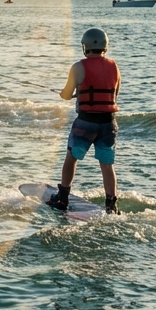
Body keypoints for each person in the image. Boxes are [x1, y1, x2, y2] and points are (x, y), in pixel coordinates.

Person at [50, 27, 121, 215]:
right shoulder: (114, 66)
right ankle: (111, 204)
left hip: (85, 122)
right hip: (108, 123)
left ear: (85, 46)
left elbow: (67, 94)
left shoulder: (78, 67)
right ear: (105, 46)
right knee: (107, 164)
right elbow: (115, 94)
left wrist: (66, 94)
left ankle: (62, 198)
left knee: (71, 158)